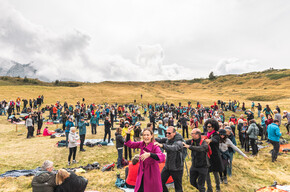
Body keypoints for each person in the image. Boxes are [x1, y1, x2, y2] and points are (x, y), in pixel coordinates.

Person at [124, 127, 165, 192]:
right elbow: (130, 144)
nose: (146, 137)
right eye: (144, 135)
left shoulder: (155, 146)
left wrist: (150, 154)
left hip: (152, 173)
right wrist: (128, 134)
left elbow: (162, 157)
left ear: (151, 136)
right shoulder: (142, 143)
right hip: (142, 172)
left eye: (148, 135)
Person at [154, 126, 184, 192]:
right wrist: (151, 138)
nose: (167, 134)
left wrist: (162, 145)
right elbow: (161, 139)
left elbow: (173, 148)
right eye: (166, 133)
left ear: (174, 133)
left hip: (177, 168)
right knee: (159, 182)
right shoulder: (168, 139)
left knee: (178, 188)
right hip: (167, 167)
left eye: (169, 133)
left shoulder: (179, 142)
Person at [204, 119, 224, 192]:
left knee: (215, 172)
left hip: (214, 156)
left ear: (214, 127)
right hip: (207, 156)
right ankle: (209, 189)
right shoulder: (206, 134)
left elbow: (215, 140)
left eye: (210, 126)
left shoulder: (216, 134)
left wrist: (210, 140)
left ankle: (218, 187)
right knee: (206, 172)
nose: (208, 128)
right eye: (207, 126)